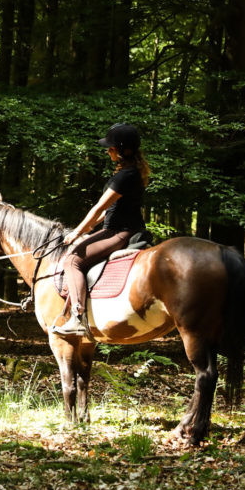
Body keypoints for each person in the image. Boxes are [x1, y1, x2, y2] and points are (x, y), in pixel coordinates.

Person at [53, 123, 151, 336]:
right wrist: (87, 228)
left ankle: (77, 318)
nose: (108, 151)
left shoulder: (124, 176)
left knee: (72, 260)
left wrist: (77, 233)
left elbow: (99, 207)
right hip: (117, 228)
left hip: (120, 232)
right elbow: (109, 211)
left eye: (111, 148)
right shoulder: (130, 172)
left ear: (123, 150)